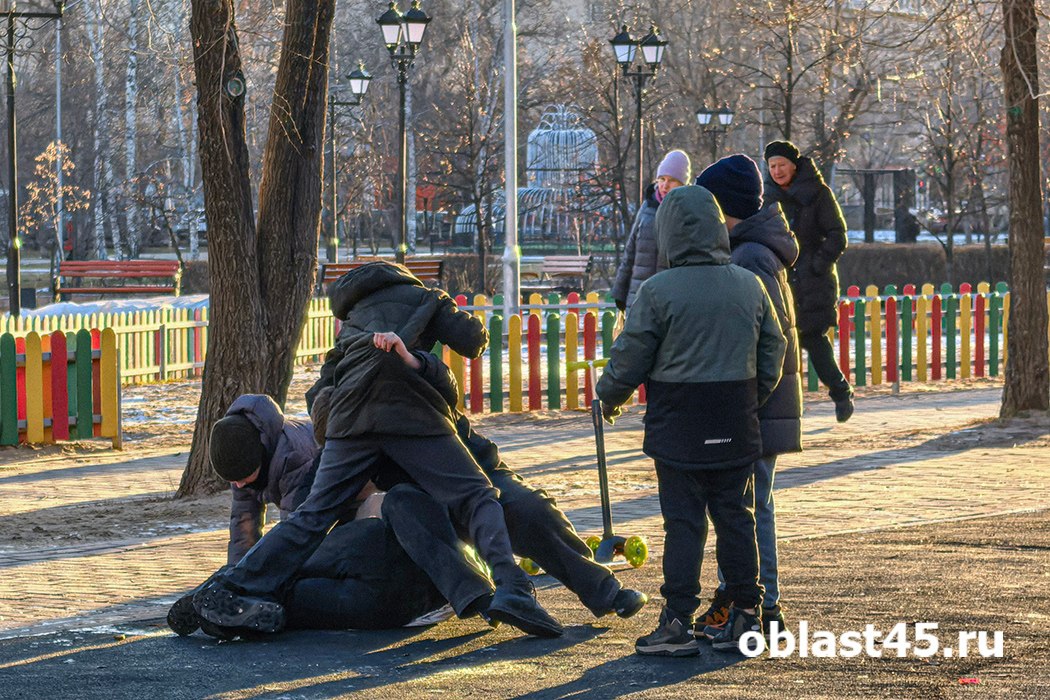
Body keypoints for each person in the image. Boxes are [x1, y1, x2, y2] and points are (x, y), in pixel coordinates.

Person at [193, 262, 562, 639]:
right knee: (477, 494)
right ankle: (511, 588)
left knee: (314, 517)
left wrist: (330, 414)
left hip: (351, 425)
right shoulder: (425, 298)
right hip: (406, 414)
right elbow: (474, 340)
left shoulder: (351, 320)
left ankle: (234, 585)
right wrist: (432, 331)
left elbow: (324, 381)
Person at [596, 185, 786, 657]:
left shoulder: (659, 291)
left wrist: (608, 397)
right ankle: (747, 613)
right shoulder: (749, 284)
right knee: (736, 519)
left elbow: (630, 356)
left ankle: (677, 622)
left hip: (678, 425)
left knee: (683, 525)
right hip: (736, 420)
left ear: (668, 235)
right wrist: (751, 398)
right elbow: (773, 350)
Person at [694, 154, 803, 636]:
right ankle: (739, 596)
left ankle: (763, 605)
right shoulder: (748, 249)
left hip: (756, 407)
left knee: (749, 506)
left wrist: (746, 403)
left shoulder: (751, 256)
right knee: (741, 505)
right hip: (758, 404)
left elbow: (769, 340)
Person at [763, 140, 854, 422]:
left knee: (813, 340)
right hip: (780, 279)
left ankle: (840, 394)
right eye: (772, 166)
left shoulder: (818, 193)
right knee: (776, 344)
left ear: (794, 164)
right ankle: (781, 408)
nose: (777, 171)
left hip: (813, 281)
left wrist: (817, 264)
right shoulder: (766, 198)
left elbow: (838, 234)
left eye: (782, 165)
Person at [611, 150, 691, 313]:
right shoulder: (647, 207)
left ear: (683, 184)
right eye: (662, 179)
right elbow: (631, 251)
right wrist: (620, 291)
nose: (664, 185)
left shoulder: (688, 211)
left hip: (670, 301)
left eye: (672, 180)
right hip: (639, 297)